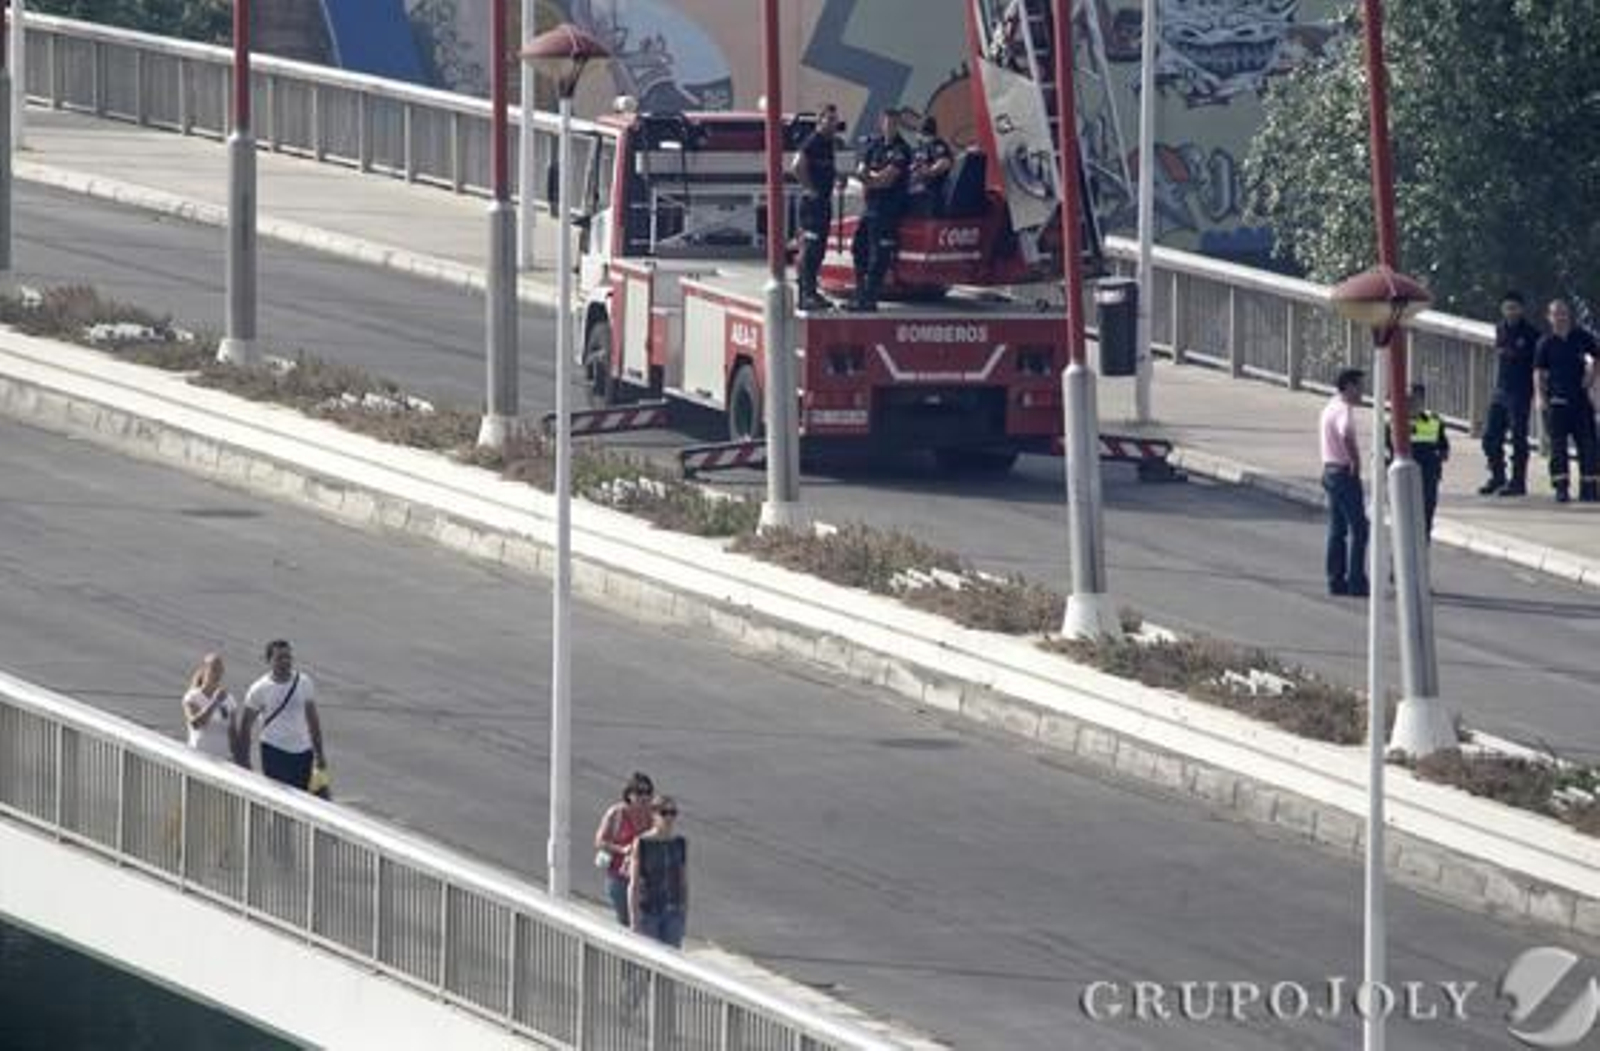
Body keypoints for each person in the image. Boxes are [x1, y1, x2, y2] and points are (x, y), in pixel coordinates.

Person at [235, 639, 328, 791]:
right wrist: (244, 762)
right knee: (279, 794)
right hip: (274, 751)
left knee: (302, 796)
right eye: (279, 658)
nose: (285, 662)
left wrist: (319, 754)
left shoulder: (304, 682)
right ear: (269, 661)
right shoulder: (259, 689)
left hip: (303, 751)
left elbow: (313, 721)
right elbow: (245, 727)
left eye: (288, 657)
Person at [1533, 299, 1599, 504]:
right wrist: (1540, 397)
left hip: (1580, 399)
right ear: (1549, 317)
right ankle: (1561, 487)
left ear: (1569, 315)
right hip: (1557, 400)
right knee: (1558, 447)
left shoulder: (1581, 337)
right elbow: (1538, 371)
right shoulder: (1546, 342)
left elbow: (1597, 356)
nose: (1560, 317)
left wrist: (1591, 377)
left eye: (1563, 313)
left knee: (1588, 445)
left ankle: (1589, 487)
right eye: (1556, 314)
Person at [848, 108, 912, 313]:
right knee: (859, 248)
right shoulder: (874, 145)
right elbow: (860, 170)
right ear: (881, 123)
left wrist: (871, 178)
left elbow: (886, 180)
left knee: (879, 254)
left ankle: (870, 298)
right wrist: (872, 178)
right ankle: (860, 293)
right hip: (871, 207)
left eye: (894, 123)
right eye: (887, 122)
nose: (890, 127)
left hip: (888, 208)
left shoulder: (902, 149)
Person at [1479, 291, 1540, 496]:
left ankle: (1518, 481)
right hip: (1501, 389)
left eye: (1514, 308)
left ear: (1521, 309)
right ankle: (1498, 475)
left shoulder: (1531, 333)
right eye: (1507, 308)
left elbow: (1537, 363)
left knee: (1518, 438)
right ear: (1502, 309)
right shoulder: (1500, 328)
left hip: (1520, 391)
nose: (1511, 312)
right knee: (1490, 436)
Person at [1320, 368, 1370, 597]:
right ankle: (1356, 581)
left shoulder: (1331, 406)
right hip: (1343, 472)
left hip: (1329, 471)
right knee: (1360, 529)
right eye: (1359, 386)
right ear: (1348, 386)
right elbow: (1346, 434)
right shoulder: (1344, 410)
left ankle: (1335, 579)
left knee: (1337, 529)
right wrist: (1356, 461)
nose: (1362, 391)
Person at [791, 104, 842, 311]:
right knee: (810, 249)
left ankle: (811, 291)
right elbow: (797, 165)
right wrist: (809, 188)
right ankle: (805, 294)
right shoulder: (813, 141)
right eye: (829, 119)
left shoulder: (829, 144)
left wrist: (838, 177)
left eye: (835, 120)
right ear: (820, 121)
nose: (833, 124)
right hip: (812, 205)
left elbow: (826, 169)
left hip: (824, 202)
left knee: (819, 249)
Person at [1387, 383, 1450, 541]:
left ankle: (1423, 547)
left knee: (1426, 516)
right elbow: (1386, 451)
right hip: (1403, 478)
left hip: (1428, 476)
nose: (1410, 403)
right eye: (1407, 399)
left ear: (1422, 401)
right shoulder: (1393, 423)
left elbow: (1444, 450)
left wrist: (1435, 457)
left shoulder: (1434, 422)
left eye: (1414, 399)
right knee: (1403, 519)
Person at [594, 772, 655, 927]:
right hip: (619, 877)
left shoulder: (653, 817)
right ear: (629, 794)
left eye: (648, 792)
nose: (644, 797)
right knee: (626, 922)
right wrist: (621, 849)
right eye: (639, 792)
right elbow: (599, 841)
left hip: (645, 879)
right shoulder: (616, 813)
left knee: (646, 923)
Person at [629, 796, 688, 949]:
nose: (669, 817)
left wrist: (684, 913)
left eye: (673, 813)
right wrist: (634, 919)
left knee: (672, 957)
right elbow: (634, 883)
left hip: (673, 912)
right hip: (649, 912)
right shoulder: (642, 842)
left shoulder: (679, 843)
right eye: (664, 812)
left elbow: (683, 881)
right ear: (654, 814)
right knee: (649, 955)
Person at [182, 653, 236, 761]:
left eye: (220, 670)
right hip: (199, 757)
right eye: (214, 670)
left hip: (223, 759)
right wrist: (214, 702)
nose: (218, 674)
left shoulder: (229, 699)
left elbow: (233, 733)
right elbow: (195, 724)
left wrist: (238, 758)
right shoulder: (192, 697)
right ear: (204, 670)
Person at [908, 115, 955, 217]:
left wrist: (929, 171)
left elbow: (944, 162)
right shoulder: (918, 149)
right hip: (915, 194)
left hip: (932, 195)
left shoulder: (937, 144)